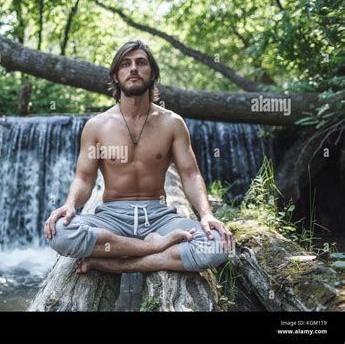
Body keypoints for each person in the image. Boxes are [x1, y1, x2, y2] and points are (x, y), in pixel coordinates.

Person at [44, 40, 233, 274]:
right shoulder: (96, 126)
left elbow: (191, 174)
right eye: (125, 64)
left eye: (140, 63)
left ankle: (116, 263)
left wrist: (206, 215)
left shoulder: (172, 123)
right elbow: (83, 178)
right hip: (112, 217)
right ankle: (152, 248)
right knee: (60, 234)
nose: (133, 68)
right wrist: (70, 205)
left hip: (159, 217)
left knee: (219, 244)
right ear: (115, 76)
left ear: (152, 73)